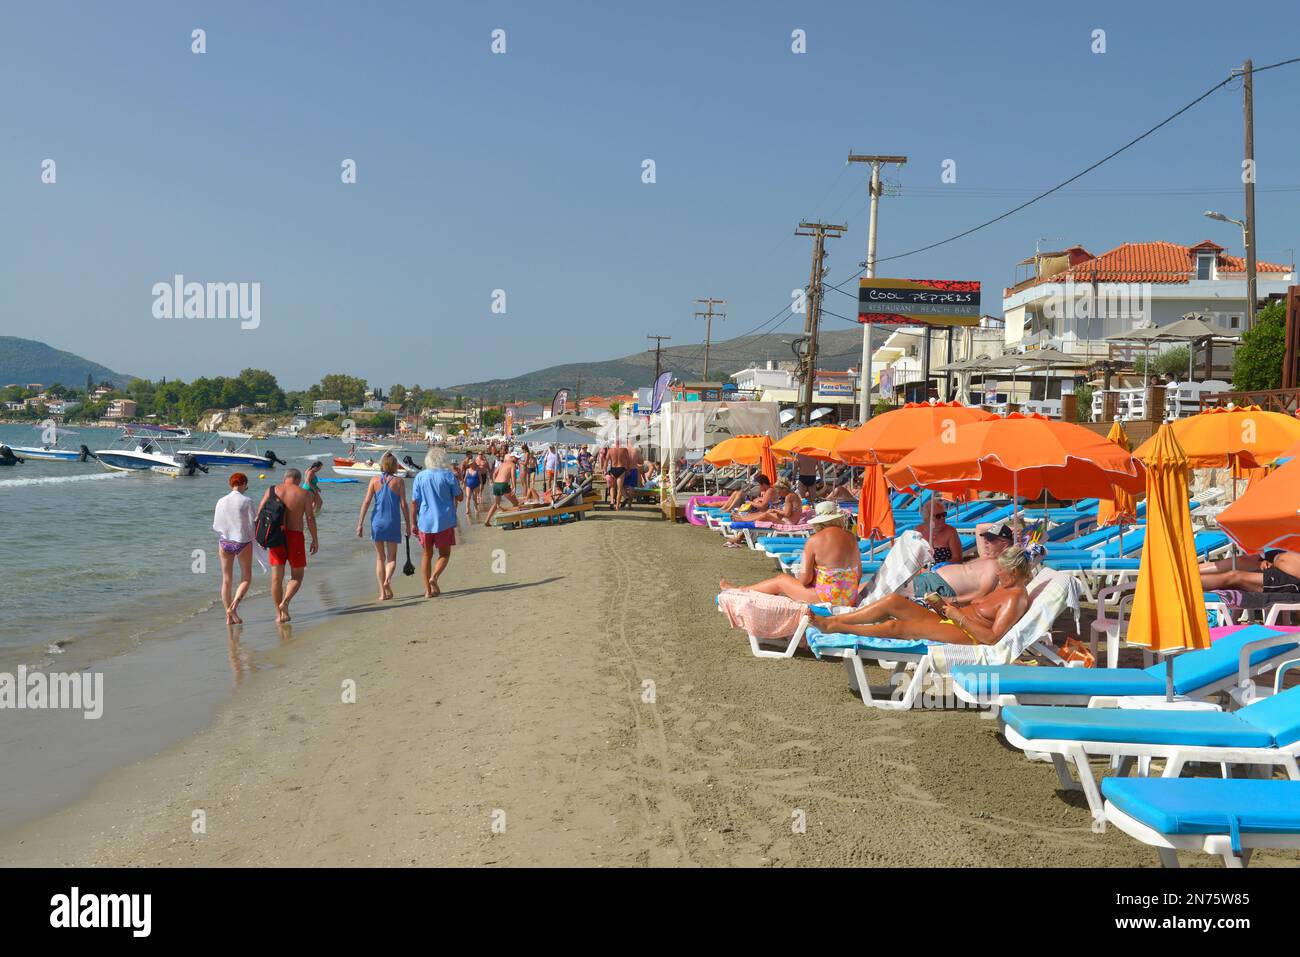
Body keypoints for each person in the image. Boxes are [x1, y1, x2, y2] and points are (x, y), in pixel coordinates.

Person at [807, 545, 1041, 646]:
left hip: (966, 634)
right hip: (953, 619)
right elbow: (977, 605)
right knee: (893, 601)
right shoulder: (1005, 588)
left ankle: (836, 626)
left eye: (1000, 572)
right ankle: (837, 620)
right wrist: (948, 604)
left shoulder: (1015, 598)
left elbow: (991, 638)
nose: (997, 575)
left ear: (1014, 571)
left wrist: (957, 616)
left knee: (896, 627)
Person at [720, 503, 862, 604]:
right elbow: (858, 574)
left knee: (781, 580)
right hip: (849, 597)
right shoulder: (851, 538)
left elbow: (803, 580)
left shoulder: (814, 540)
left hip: (827, 597)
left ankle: (741, 590)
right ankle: (742, 590)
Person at [258, 468, 319, 623]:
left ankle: (279, 615)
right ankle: (285, 602)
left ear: (284, 478)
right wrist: (315, 539)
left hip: (275, 536)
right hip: (295, 536)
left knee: (276, 579)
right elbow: (310, 519)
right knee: (297, 576)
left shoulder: (272, 490)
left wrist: (261, 539)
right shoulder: (304, 494)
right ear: (298, 480)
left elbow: (259, 515)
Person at [909, 522, 1016, 602]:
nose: (986, 543)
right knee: (897, 582)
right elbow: (979, 527)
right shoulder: (986, 557)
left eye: (990, 540)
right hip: (933, 580)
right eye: (986, 539)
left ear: (1004, 544)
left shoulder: (996, 566)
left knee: (896, 587)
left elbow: (982, 594)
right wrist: (1011, 530)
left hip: (938, 588)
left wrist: (951, 600)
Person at [410, 447, 463, 598]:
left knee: (426, 555)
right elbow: (460, 498)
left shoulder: (420, 477)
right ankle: (434, 577)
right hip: (444, 521)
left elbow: (414, 502)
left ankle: (427, 591)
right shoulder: (448, 475)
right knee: (445, 554)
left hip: (425, 522)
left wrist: (413, 523)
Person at [356, 452, 409, 601]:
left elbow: (366, 502)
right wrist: (409, 524)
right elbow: (404, 504)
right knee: (391, 558)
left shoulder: (374, 480)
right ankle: (387, 581)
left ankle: (382, 593)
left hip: (376, 522)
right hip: (392, 522)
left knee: (380, 558)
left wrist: (360, 524)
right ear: (394, 465)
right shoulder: (399, 482)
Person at [212, 472, 256, 624]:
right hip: (242, 542)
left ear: (231, 484)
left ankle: (228, 617)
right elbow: (253, 522)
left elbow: (216, 525)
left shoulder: (221, 501)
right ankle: (234, 606)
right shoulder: (247, 500)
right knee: (246, 578)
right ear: (243, 484)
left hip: (224, 542)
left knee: (226, 580)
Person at [1201, 549, 1300, 594]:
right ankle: (1191, 570)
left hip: (1290, 577)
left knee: (1234, 576)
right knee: (1241, 561)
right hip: (1276, 557)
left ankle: (1189, 583)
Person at [918, 499, 964, 566]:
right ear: (927, 518)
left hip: (946, 572)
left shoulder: (950, 531)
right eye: (938, 516)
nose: (942, 518)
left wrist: (943, 565)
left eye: (944, 514)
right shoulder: (918, 532)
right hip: (922, 572)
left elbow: (958, 559)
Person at [484, 453, 522, 525]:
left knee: (496, 504)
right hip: (503, 484)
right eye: (516, 458)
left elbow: (494, 474)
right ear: (512, 457)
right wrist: (514, 487)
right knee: (516, 503)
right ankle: (515, 520)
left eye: (518, 458)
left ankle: (487, 520)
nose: (517, 460)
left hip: (496, 485)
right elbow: (513, 477)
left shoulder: (502, 464)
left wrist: (495, 482)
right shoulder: (512, 465)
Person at [606, 442, 631, 509]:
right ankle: (617, 506)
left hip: (613, 469)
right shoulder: (624, 450)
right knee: (619, 489)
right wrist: (628, 469)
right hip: (621, 469)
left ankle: (611, 502)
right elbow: (628, 460)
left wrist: (604, 470)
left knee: (612, 487)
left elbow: (606, 460)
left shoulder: (610, 450)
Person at [463, 456, 483, 521]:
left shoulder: (477, 470)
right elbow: (465, 478)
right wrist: (463, 484)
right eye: (471, 464)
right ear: (469, 464)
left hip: (476, 485)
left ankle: (476, 508)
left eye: (473, 463)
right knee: (468, 497)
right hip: (468, 485)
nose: (472, 464)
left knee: (474, 498)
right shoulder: (467, 470)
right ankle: (467, 509)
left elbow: (480, 479)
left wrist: (481, 485)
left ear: (474, 464)